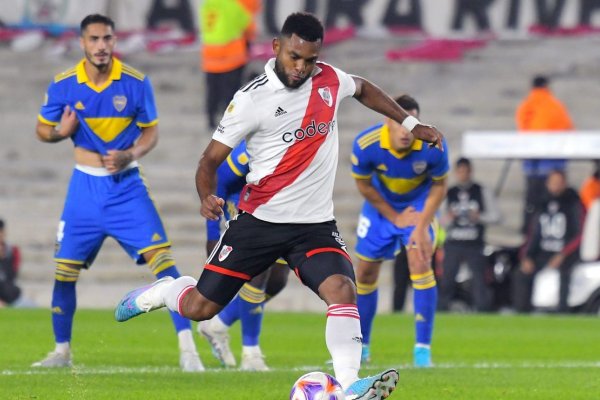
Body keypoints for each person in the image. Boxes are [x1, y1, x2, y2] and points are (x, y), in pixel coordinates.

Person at [115, 12, 443, 399]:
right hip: (259, 222)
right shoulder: (251, 100)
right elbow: (208, 161)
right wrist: (206, 196)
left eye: (310, 60)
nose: (301, 67)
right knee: (201, 308)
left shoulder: (330, 81)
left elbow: (364, 88)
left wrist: (409, 123)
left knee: (342, 288)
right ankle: (162, 292)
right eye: (294, 57)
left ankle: (350, 385)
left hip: (314, 225)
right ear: (276, 47)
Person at [32, 14, 203, 372]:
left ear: (114, 41)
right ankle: (61, 351)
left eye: (107, 38)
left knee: (164, 264)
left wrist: (132, 154)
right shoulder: (64, 85)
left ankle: (189, 350)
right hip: (84, 188)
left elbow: (150, 133)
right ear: (82, 43)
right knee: (64, 272)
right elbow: (42, 131)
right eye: (93, 39)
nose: (101, 46)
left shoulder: (135, 82)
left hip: (126, 187)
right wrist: (61, 132)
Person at [351, 94, 448, 368]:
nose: (407, 131)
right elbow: (363, 184)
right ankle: (363, 346)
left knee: (419, 261)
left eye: (412, 124)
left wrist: (420, 226)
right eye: (400, 123)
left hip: (418, 207)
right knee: (366, 272)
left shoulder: (432, 143)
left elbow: (440, 185)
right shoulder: (366, 144)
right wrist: (393, 215)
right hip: (382, 209)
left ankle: (422, 351)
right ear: (387, 121)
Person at [198, 140, 289, 371]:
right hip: (244, 205)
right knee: (260, 272)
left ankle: (219, 323)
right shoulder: (248, 151)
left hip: (281, 209)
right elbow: (219, 182)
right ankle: (251, 354)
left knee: (278, 280)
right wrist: (212, 234)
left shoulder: (304, 140)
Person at [512, 170, 584, 313]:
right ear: (547, 184)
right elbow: (532, 234)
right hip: (543, 252)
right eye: (553, 182)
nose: (556, 186)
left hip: (566, 253)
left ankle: (563, 312)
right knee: (520, 273)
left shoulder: (573, 203)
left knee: (565, 273)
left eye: (559, 182)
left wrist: (563, 254)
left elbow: (579, 234)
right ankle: (521, 312)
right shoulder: (541, 204)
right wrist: (526, 257)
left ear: (565, 183)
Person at [438, 157, 500, 312]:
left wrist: (479, 217)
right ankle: (441, 310)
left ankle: (482, 310)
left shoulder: (481, 191)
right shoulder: (448, 192)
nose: (463, 174)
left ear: (470, 171)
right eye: (460, 171)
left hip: (474, 243)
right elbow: (438, 219)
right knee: (447, 280)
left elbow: (496, 216)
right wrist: (449, 218)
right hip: (454, 243)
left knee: (479, 279)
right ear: (456, 173)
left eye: (466, 171)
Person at [516, 75, 574, 234]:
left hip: (533, 167)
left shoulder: (526, 106)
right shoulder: (556, 106)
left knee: (532, 205)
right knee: (555, 204)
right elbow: (568, 129)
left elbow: (522, 129)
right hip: (555, 169)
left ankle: (528, 233)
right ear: (547, 86)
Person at [199, 0, 261, 129]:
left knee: (212, 91)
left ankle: (210, 120)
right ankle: (228, 121)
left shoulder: (208, 4)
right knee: (231, 92)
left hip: (210, 56)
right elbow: (248, 27)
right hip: (231, 56)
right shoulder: (233, 5)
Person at [0, 219, 23, 307]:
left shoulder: (12, 251)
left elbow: (12, 275)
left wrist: (3, 259)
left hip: (5, 287)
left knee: (14, 290)